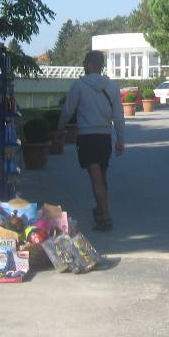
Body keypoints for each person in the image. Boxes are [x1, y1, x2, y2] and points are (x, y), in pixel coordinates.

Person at [57, 51, 125, 231]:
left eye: (84, 63)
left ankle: (105, 217)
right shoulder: (112, 86)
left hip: (87, 137)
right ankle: (102, 210)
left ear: (89, 64)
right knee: (102, 175)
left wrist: (60, 129)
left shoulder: (79, 85)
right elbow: (118, 116)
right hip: (105, 138)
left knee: (96, 177)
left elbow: (68, 110)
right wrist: (120, 139)